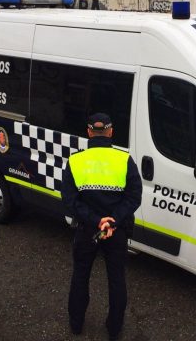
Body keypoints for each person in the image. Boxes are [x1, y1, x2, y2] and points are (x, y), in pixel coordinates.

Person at [61, 112, 142, 341]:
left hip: (87, 230)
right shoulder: (124, 160)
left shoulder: (76, 161)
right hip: (116, 231)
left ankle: (76, 324)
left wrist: (96, 220)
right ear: (110, 132)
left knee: (80, 275)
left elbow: (69, 199)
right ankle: (114, 329)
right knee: (116, 279)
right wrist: (112, 220)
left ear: (88, 132)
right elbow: (134, 197)